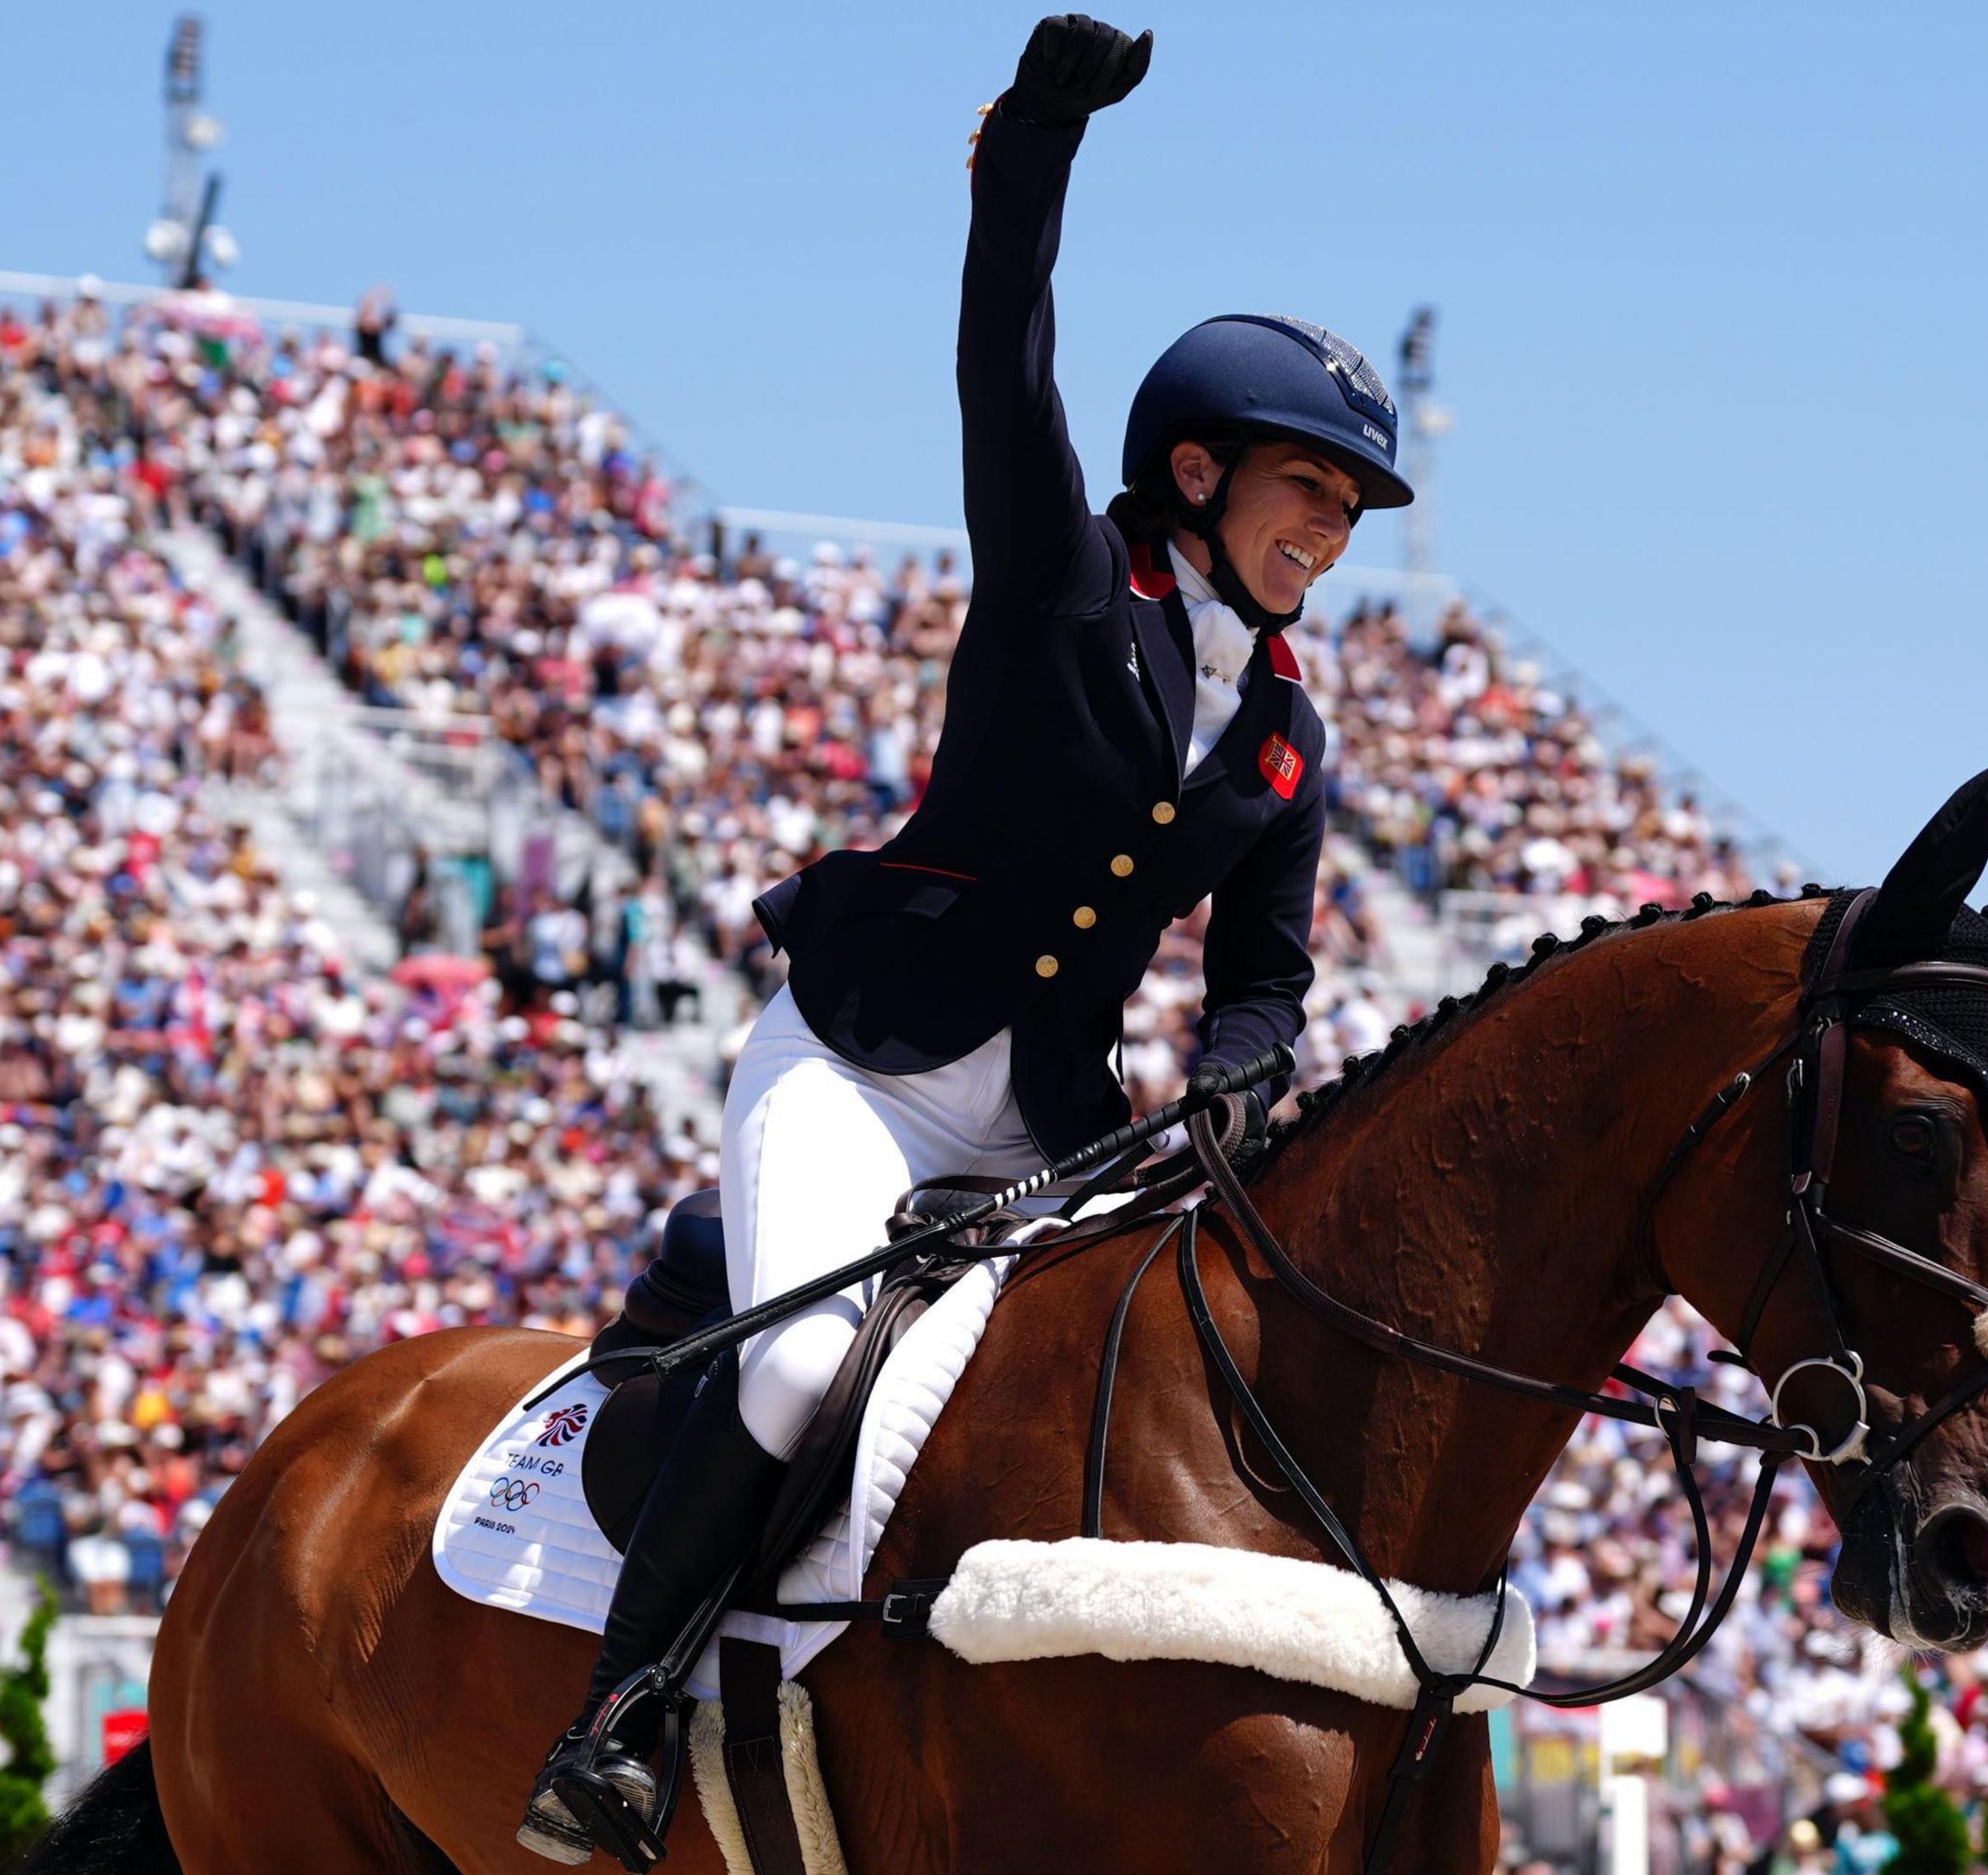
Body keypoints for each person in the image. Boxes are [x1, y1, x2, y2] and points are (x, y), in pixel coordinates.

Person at [518, 11, 1414, 1864]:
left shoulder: (1286, 734)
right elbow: (1004, 345)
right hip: (868, 1061)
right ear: (1193, 472)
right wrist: (1035, 150)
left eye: (1344, 507)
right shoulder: (1064, 579)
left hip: (1051, 1125)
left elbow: (1262, 971)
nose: (1327, 527)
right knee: (789, 1370)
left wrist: (1245, 1073)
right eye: (1306, 487)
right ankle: (619, 1721)